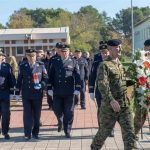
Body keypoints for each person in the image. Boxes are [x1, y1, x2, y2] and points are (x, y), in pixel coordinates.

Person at [91, 39, 137, 150]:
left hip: (124, 106)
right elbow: (102, 85)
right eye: (117, 47)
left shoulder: (119, 64)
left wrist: (134, 84)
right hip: (110, 107)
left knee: (130, 134)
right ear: (110, 49)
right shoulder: (104, 65)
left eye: (120, 46)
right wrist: (111, 100)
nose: (120, 49)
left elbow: (121, 82)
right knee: (103, 133)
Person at [47, 44, 81, 138]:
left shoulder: (73, 61)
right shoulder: (54, 61)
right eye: (62, 51)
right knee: (56, 108)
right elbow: (50, 75)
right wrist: (49, 88)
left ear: (69, 52)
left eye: (66, 51)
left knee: (69, 111)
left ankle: (67, 130)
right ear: (60, 52)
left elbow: (77, 76)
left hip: (69, 91)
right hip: (57, 90)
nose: (64, 53)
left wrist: (78, 88)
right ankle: (60, 119)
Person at [16, 48, 48, 140]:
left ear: (35, 56)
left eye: (33, 56)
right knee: (27, 114)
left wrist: (41, 85)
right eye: (29, 56)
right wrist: (17, 93)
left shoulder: (41, 65)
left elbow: (46, 78)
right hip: (26, 94)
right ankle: (27, 133)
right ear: (26, 56)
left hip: (37, 94)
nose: (31, 58)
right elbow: (19, 80)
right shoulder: (23, 66)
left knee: (37, 115)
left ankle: (35, 132)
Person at [89, 43, 109, 125]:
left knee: (110, 110)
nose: (104, 54)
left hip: (111, 90)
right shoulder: (96, 63)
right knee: (101, 109)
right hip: (99, 90)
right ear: (100, 53)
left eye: (106, 52)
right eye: (103, 53)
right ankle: (101, 127)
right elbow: (92, 77)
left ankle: (110, 128)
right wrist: (91, 90)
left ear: (109, 52)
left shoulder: (113, 62)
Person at [134, 39, 150, 139]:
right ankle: (133, 133)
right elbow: (136, 73)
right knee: (141, 115)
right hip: (143, 91)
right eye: (147, 47)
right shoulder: (139, 59)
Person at [0, 48, 16, 139]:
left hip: (4, 93)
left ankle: (5, 131)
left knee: (6, 114)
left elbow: (12, 79)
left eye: (0, 55)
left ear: (2, 57)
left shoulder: (7, 66)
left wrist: (13, 91)